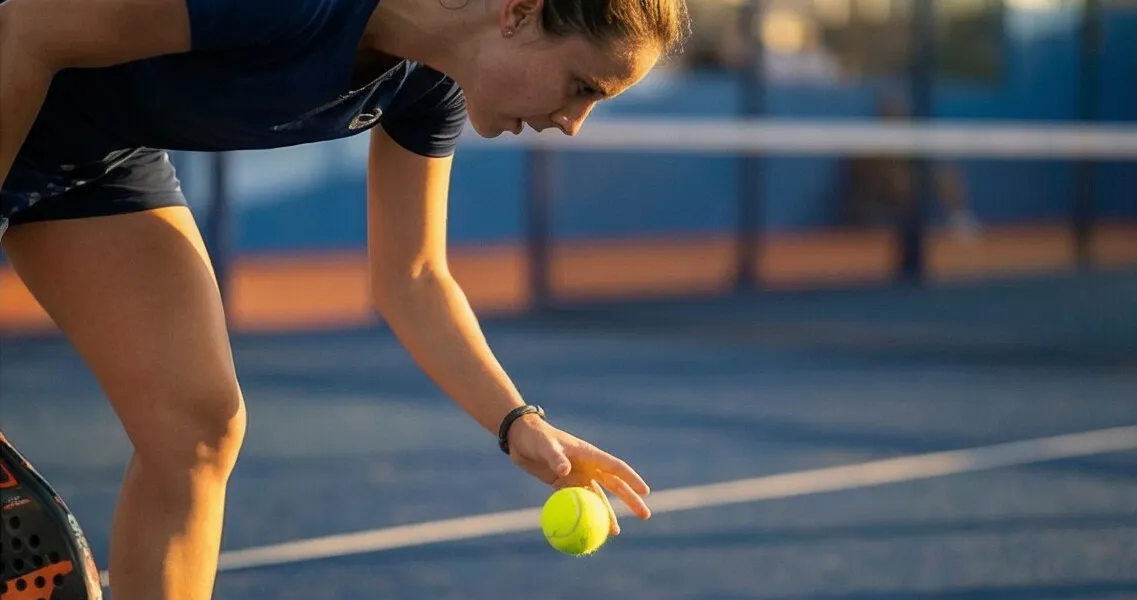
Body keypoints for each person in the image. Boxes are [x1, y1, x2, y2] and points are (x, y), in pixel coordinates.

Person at [0, 0, 690, 598]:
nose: (572, 122)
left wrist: (516, 422)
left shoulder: (430, 86)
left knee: (197, 429)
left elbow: (412, 275)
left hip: (91, 155)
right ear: (517, 11)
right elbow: (29, 26)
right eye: (580, 86)